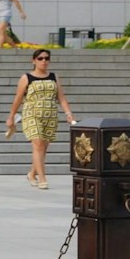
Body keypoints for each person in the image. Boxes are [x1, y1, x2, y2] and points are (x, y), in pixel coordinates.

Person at [6, 48, 76, 190]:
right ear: (34, 61)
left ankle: (32, 174)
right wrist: (11, 116)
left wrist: (68, 113)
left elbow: (61, 97)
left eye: (46, 58)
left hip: (50, 114)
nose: (44, 61)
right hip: (32, 114)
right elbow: (18, 98)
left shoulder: (54, 77)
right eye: (40, 58)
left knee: (43, 148)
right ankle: (42, 178)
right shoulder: (26, 77)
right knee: (37, 144)